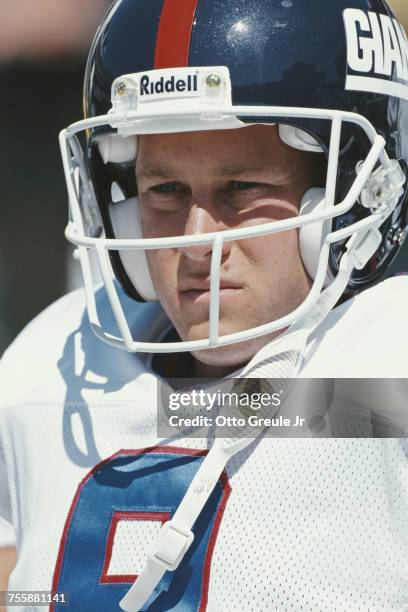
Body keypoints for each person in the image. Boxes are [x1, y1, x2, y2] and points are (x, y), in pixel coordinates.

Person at [1, 0, 408, 610]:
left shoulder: (389, 359)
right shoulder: (51, 363)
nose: (196, 239)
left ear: (360, 190)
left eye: (243, 187)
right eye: (164, 189)